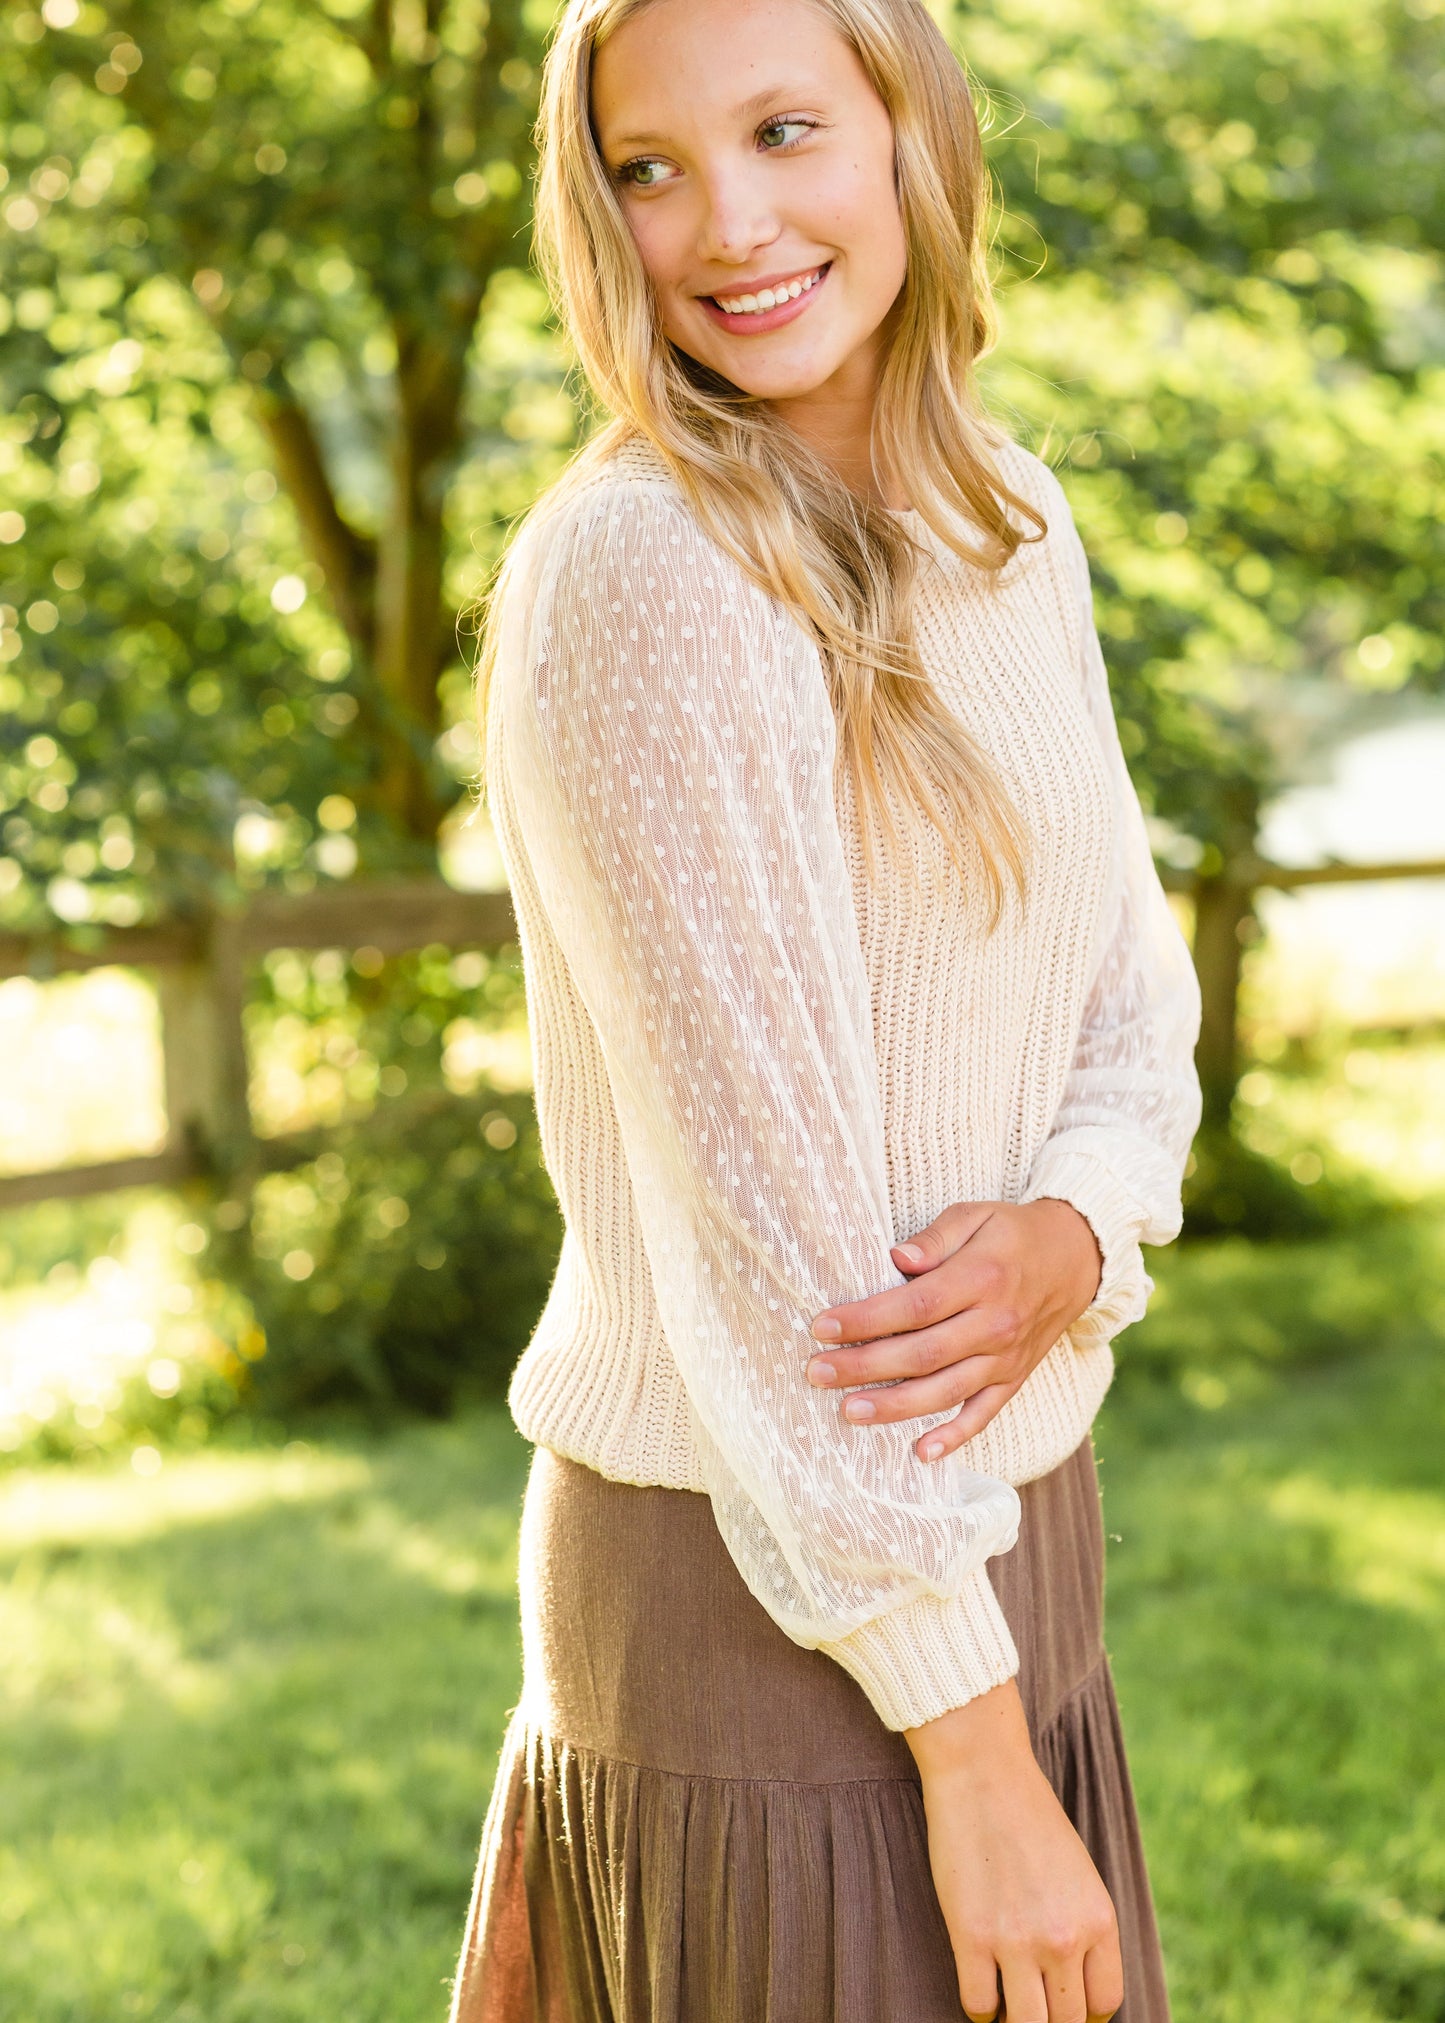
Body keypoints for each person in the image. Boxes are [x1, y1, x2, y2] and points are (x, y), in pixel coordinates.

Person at [449, 0, 1202, 2016]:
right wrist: (964, 1741)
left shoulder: (1006, 520)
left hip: (1020, 1531)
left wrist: (1078, 1226)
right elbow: (769, 1252)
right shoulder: (647, 574)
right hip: (758, 1591)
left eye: (785, 131)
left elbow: (1131, 979)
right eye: (649, 164)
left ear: (905, 132)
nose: (723, 223)